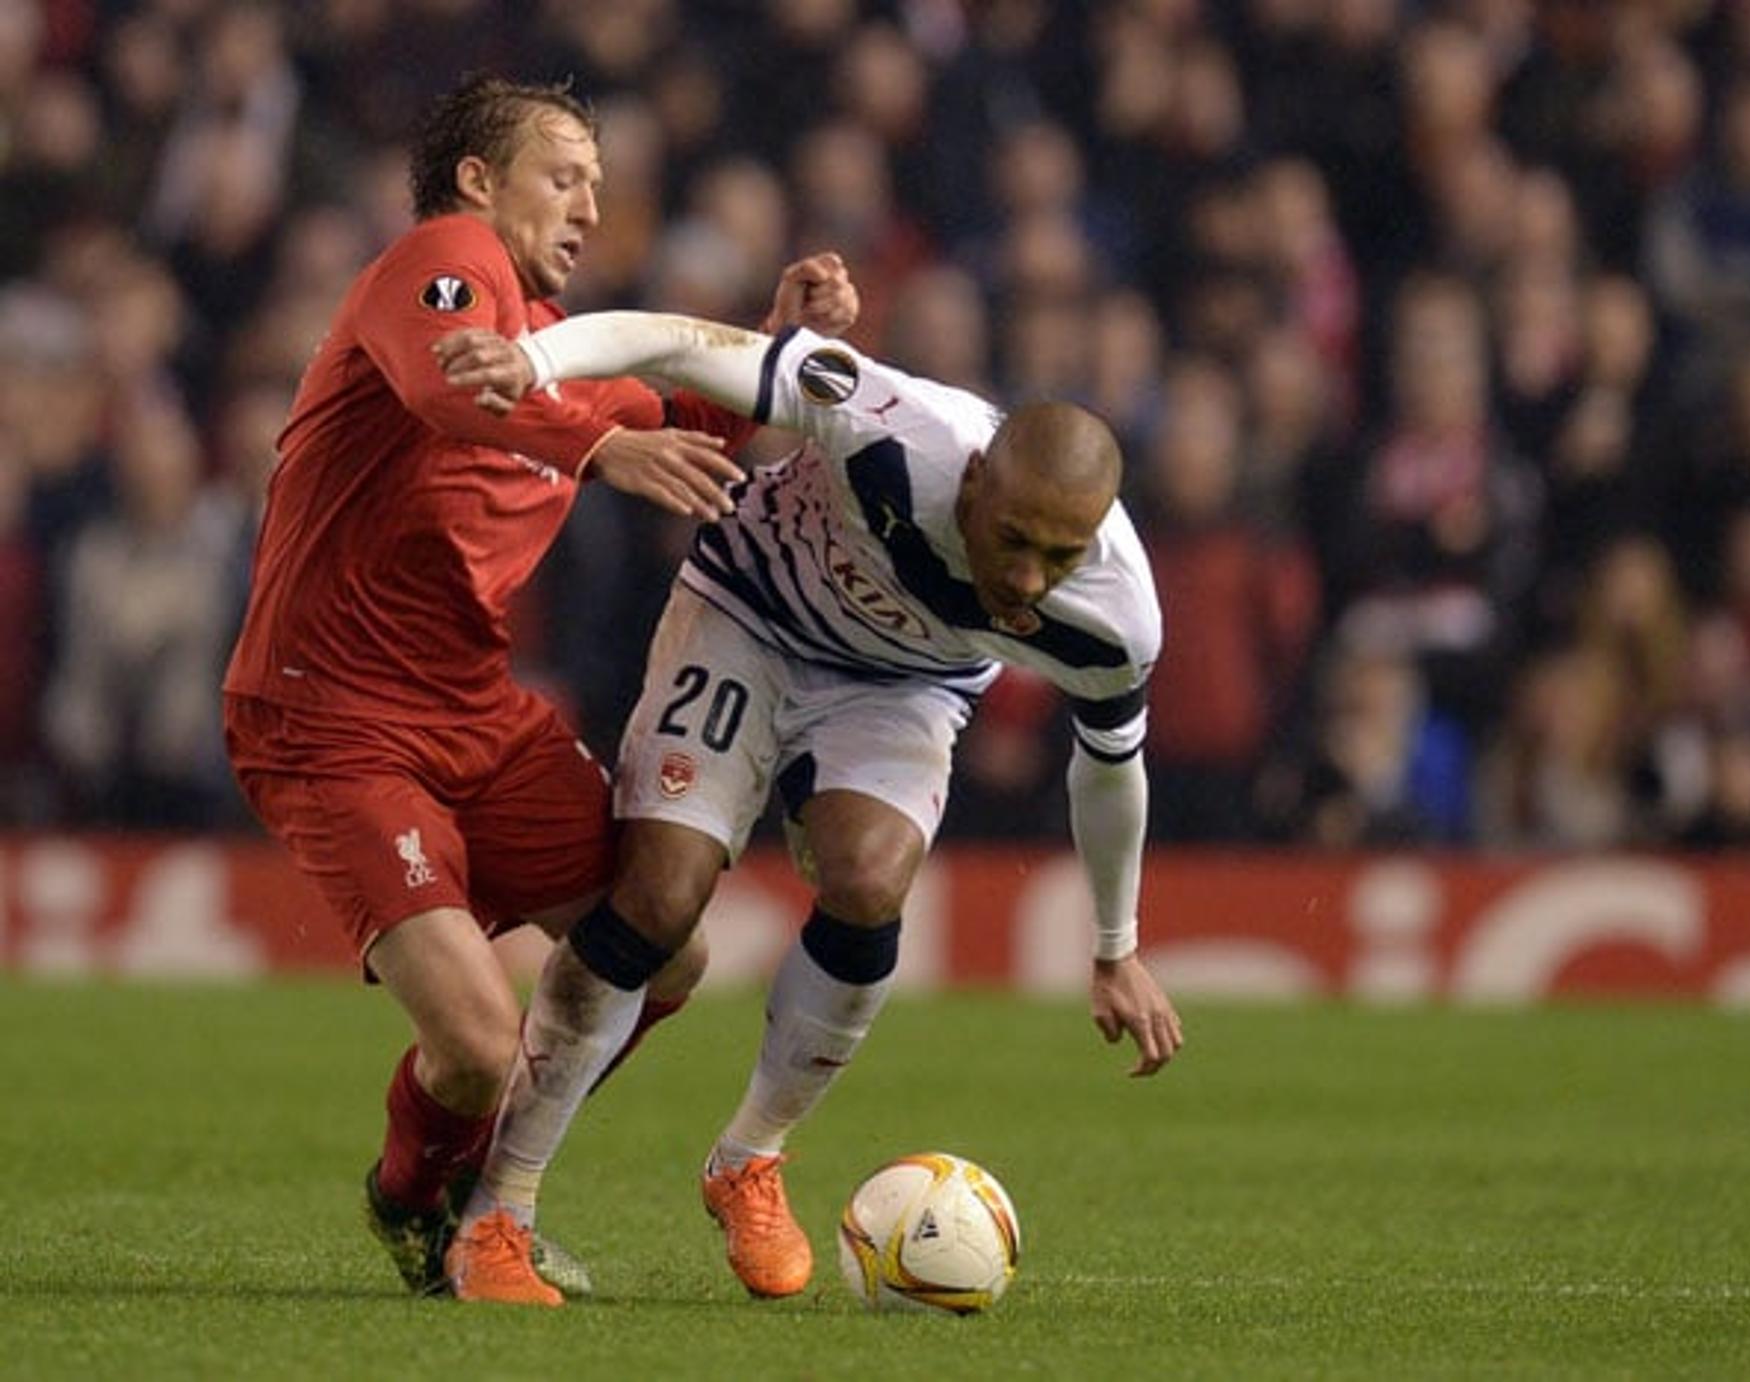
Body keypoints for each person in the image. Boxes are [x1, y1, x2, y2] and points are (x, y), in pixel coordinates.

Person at [219, 74, 858, 1302]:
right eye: (564, 177)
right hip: (332, 714)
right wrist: (604, 445)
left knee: (661, 951)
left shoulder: (561, 356)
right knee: (469, 1040)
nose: (588, 205)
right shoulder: (442, 260)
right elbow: (444, 385)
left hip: (473, 708)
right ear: (478, 179)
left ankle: (489, 1198)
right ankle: (415, 1194)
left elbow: (692, 413)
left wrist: (782, 340)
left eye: (600, 188)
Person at [430, 306, 1186, 1307]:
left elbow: (1108, 764)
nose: (1026, 579)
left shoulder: (1116, 617)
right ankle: (498, 1210)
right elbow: (678, 343)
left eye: (1060, 554)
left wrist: (1114, 943)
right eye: (1011, 540)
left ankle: (750, 1155)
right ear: (971, 481)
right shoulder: (889, 424)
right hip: (748, 612)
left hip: (904, 685)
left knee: (871, 880)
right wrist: (531, 360)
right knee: (658, 899)